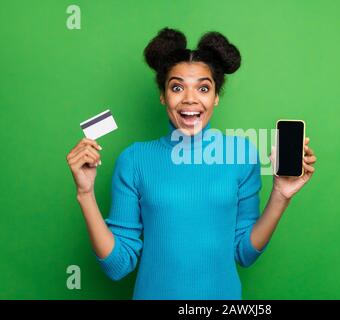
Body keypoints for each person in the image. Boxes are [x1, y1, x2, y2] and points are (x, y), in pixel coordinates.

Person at [66, 27, 317, 299]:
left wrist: (280, 195)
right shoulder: (134, 160)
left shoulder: (242, 154)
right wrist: (85, 193)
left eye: (203, 88)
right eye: (176, 87)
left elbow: (244, 253)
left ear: (216, 97)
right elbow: (117, 266)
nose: (190, 99)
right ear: (163, 95)